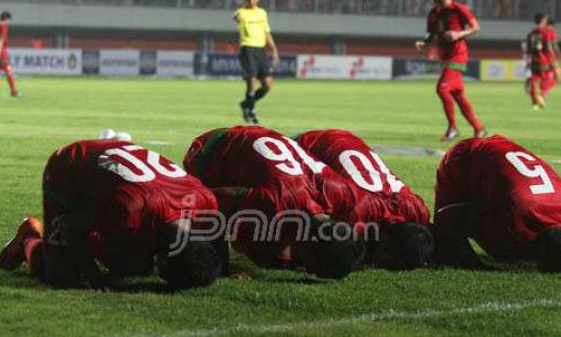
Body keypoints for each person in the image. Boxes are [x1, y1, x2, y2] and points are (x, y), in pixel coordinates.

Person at [0, 139, 222, 290]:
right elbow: (69, 226)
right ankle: (28, 236)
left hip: (121, 174)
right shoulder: (130, 210)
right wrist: (93, 277)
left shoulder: (206, 203)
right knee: (63, 275)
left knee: (132, 266)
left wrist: (225, 267)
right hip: (71, 167)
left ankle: (103, 241)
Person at [183, 126, 364, 279]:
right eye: (314, 268)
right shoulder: (277, 202)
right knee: (252, 237)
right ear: (312, 243)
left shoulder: (342, 193)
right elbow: (211, 201)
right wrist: (221, 263)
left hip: (264, 140)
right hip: (211, 148)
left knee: (270, 247)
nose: (308, 270)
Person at [295, 129, 434, 269]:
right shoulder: (358, 212)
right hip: (310, 143)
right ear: (384, 241)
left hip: (350, 141)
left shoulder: (417, 208)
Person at [433, 135, 561, 271]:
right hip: (466, 155)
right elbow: (448, 218)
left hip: (504, 147)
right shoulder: (512, 230)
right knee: (444, 238)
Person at [415, 0, 485, 141]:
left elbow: (476, 27)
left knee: (442, 89)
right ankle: (478, 128)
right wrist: (424, 42)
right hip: (445, 57)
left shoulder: (458, 9)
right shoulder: (433, 13)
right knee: (458, 95)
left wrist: (459, 34)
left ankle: (452, 128)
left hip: (458, 55)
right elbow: (430, 34)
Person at [233, 0, 279, 124]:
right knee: (251, 81)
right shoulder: (241, 12)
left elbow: (267, 33)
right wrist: (239, 13)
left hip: (261, 50)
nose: (251, 0)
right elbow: (235, 17)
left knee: (267, 85)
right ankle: (251, 112)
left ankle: (246, 103)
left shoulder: (262, 13)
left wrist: (274, 50)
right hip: (247, 48)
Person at [527, 13, 557, 109]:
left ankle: (535, 101)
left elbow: (528, 48)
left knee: (534, 78)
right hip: (544, 61)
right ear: (543, 21)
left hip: (533, 60)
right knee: (551, 79)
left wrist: (528, 60)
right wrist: (553, 60)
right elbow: (549, 48)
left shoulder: (531, 33)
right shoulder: (546, 33)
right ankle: (542, 96)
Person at [0, 11, 20, 98]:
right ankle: (14, 92)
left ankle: (14, 91)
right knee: (8, 70)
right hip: (1, 52)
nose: (9, 23)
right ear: (6, 19)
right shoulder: (4, 26)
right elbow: (1, 40)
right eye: (8, 20)